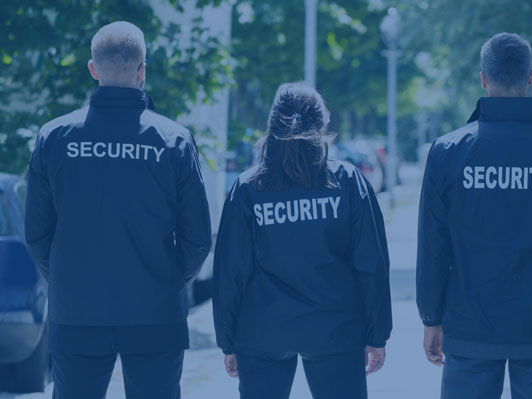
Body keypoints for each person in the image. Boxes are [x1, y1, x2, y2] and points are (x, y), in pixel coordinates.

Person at [24, 21, 212, 399]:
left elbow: (37, 233)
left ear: (93, 69)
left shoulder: (54, 137)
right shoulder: (173, 140)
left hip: (76, 312)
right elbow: (197, 237)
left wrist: (65, 280)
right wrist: (169, 281)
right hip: (155, 312)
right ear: (142, 70)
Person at [416, 32, 532, 399]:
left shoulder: (448, 152)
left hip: (470, 329)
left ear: (484, 80)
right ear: (530, 77)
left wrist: (431, 317)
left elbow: (434, 246)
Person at [212, 82, 392, 399]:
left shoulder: (248, 188)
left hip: (263, 331)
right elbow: (371, 263)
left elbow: (230, 271)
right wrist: (377, 334)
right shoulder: (347, 181)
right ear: (322, 125)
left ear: (272, 125)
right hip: (335, 330)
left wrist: (228, 340)